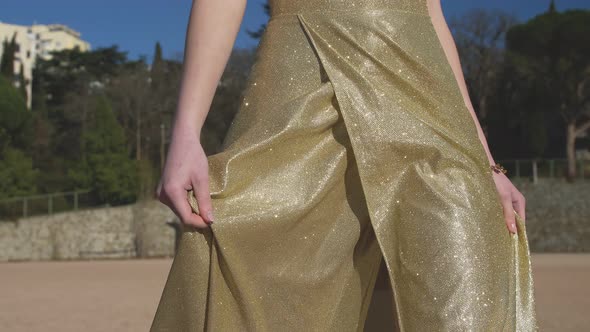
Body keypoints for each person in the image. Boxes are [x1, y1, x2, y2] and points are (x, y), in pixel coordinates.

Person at [150, 0, 539, 330]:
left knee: (469, 286)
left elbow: (431, 13)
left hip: (427, 96)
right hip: (305, 81)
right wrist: (186, 132)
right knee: (248, 259)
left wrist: (485, 160)